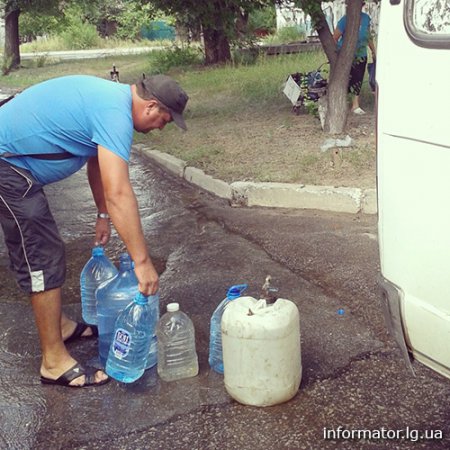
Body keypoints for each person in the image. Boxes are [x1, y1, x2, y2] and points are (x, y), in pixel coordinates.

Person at [0, 74, 188, 387]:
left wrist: (103, 214)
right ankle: (52, 361)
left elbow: (98, 163)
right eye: (164, 121)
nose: (160, 128)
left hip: (13, 162)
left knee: (44, 248)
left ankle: (58, 326)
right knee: (41, 254)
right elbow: (120, 192)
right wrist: (141, 263)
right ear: (152, 106)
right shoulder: (115, 114)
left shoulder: (112, 101)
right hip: (7, 166)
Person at [333, 2, 376, 115]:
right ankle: (342, 103)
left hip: (361, 54)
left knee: (358, 79)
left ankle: (355, 105)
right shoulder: (344, 20)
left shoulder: (366, 18)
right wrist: (339, 53)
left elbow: (368, 36)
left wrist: (373, 50)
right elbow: (335, 37)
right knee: (347, 79)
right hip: (346, 56)